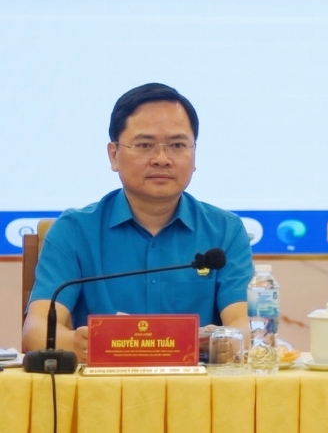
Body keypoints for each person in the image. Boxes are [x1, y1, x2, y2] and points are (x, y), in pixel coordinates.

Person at [22, 83, 253, 362]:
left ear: (194, 154)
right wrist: (75, 342)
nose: (162, 159)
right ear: (113, 155)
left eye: (177, 145)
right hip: (101, 386)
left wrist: (223, 342)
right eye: (145, 145)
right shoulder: (73, 231)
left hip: (197, 385)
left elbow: (243, 326)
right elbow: (36, 331)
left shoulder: (225, 232)